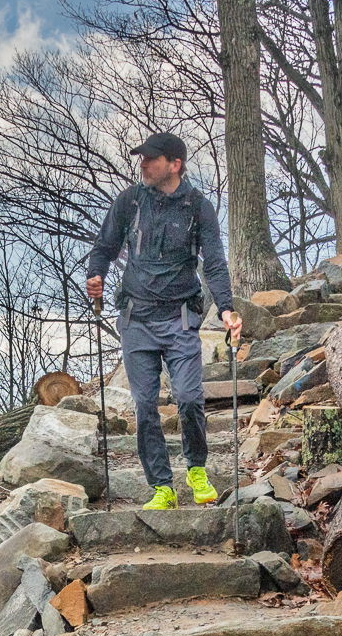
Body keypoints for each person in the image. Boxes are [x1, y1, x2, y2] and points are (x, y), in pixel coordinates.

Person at [85, 132, 245, 509]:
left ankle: (197, 469)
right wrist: (96, 275)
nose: (143, 164)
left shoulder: (198, 207)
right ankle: (162, 487)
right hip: (136, 319)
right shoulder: (129, 201)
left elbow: (215, 263)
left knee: (189, 398)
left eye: (151, 159)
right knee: (144, 406)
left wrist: (225, 307)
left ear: (174, 164)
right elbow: (104, 246)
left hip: (180, 318)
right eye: (141, 158)